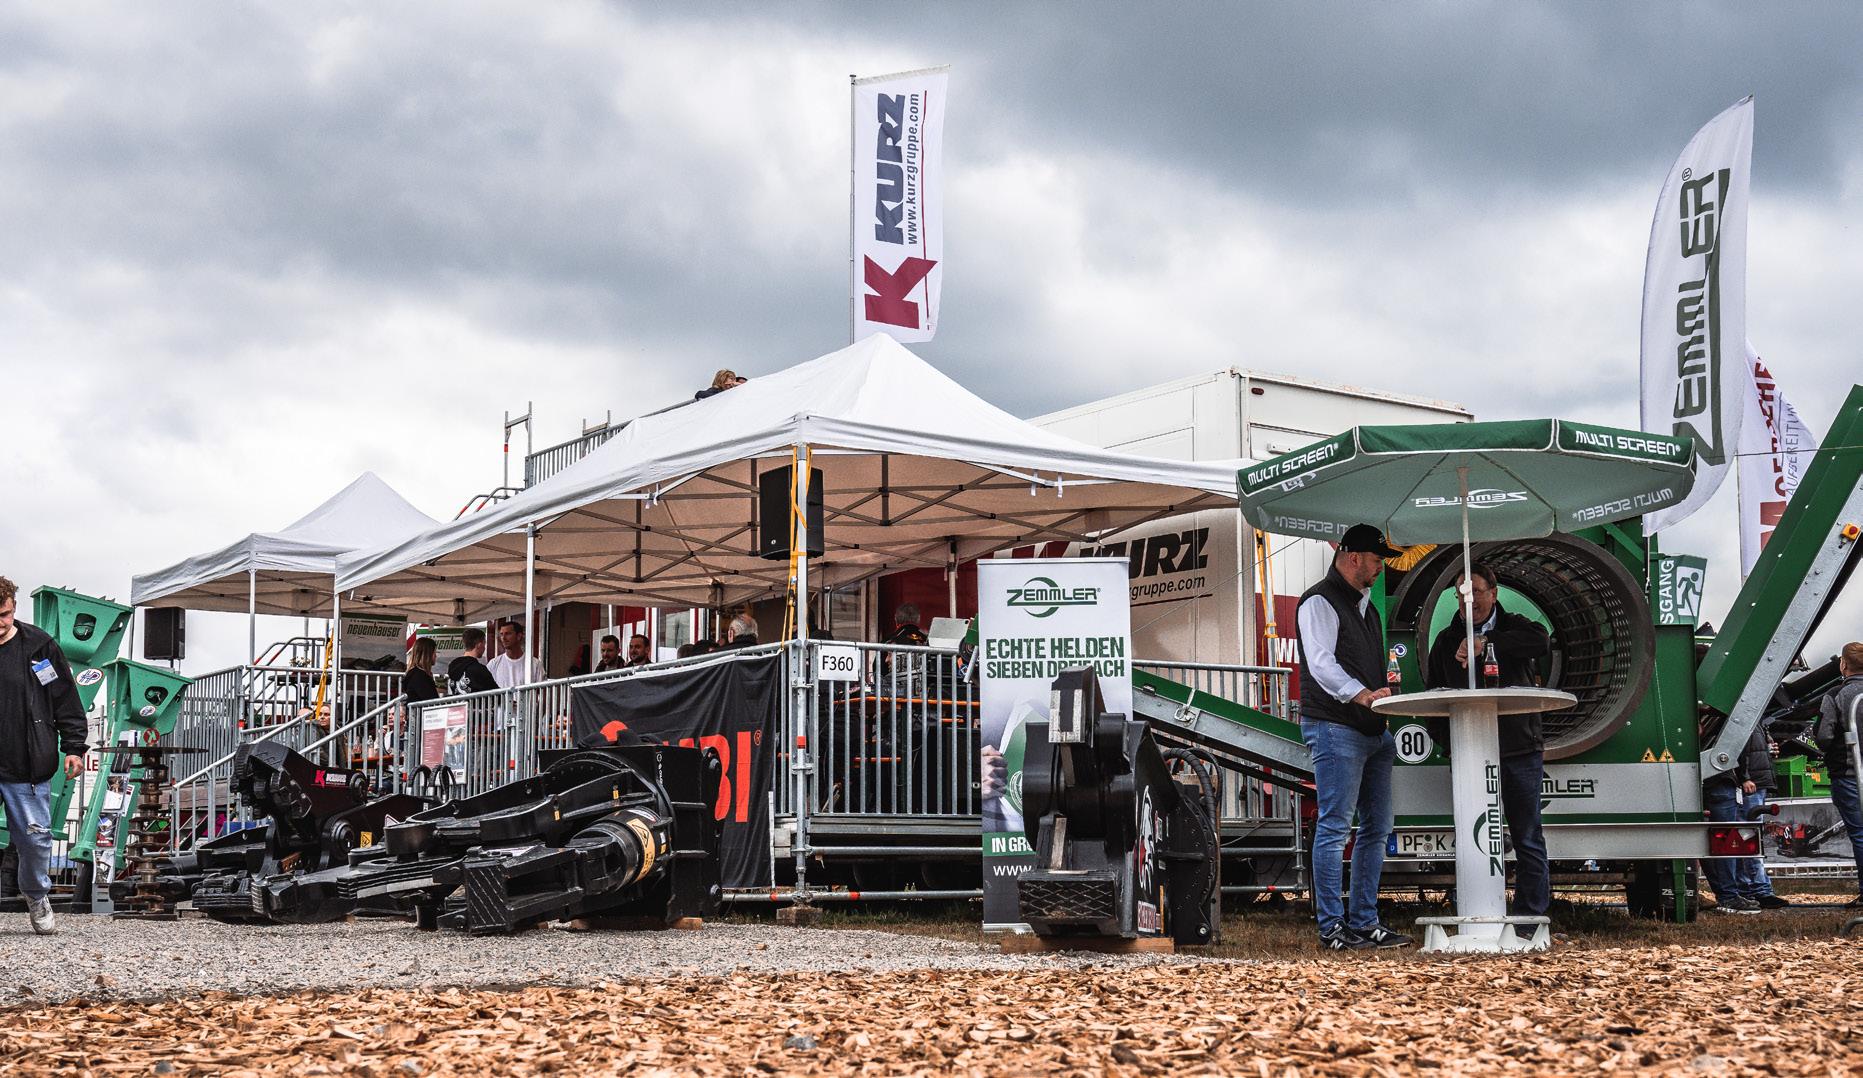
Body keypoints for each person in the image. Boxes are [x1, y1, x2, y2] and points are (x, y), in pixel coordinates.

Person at [1295, 525, 1412, 951]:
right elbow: (1320, 664)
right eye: (1377, 560)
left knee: (1376, 828)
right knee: (1335, 826)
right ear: (1353, 557)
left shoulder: (1367, 607)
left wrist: (1379, 704)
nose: (1382, 568)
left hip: (1371, 730)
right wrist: (1362, 694)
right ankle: (1332, 927)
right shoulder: (1318, 601)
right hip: (1335, 726)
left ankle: (1364, 921)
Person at [1423, 561, 1552, 921]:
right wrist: (1449, 744)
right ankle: (1477, 912)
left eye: (1477, 592)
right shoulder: (1445, 640)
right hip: (1469, 754)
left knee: (1527, 836)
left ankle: (1530, 918)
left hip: (1520, 750)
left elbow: (1541, 641)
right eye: (1462, 595)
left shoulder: (1517, 627)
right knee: (1472, 835)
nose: (1470, 601)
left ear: (1494, 594)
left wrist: (1487, 642)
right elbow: (1433, 698)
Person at [0, 576, 87, 934]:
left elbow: (64, 697)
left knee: (35, 840)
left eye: (3, 615)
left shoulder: (39, 648)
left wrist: (75, 746)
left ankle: (36, 896)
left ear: (13, 609)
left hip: (27, 764)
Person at [1815, 641, 1863, 909]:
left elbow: (1823, 735)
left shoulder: (1835, 695)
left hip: (1849, 773)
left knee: (1860, 833)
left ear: (1844, 665)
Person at [1732, 722, 1786, 909]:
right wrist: (1744, 777)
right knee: (1749, 837)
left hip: (1757, 782)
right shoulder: (1748, 717)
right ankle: (1758, 889)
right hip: (1752, 783)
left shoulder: (1759, 721)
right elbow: (1739, 746)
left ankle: (1750, 888)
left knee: (1748, 836)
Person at [486, 621, 544, 688]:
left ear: (519, 636)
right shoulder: (493, 664)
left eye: (508, 634)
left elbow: (542, 690)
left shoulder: (535, 664)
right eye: (501, 634)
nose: (503, 638)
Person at [446, 627, 498, 696]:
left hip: (456, 702)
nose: (484, 648)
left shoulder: (453, 666)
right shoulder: (479, 669)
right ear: (479, 645)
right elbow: (496, 694)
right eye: (484, 644)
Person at [403, 638, 439, 704]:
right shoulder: (419, 676)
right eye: (434, 653)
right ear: (427, 654)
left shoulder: (416, 674)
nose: (436, 656)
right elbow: (431, 699)